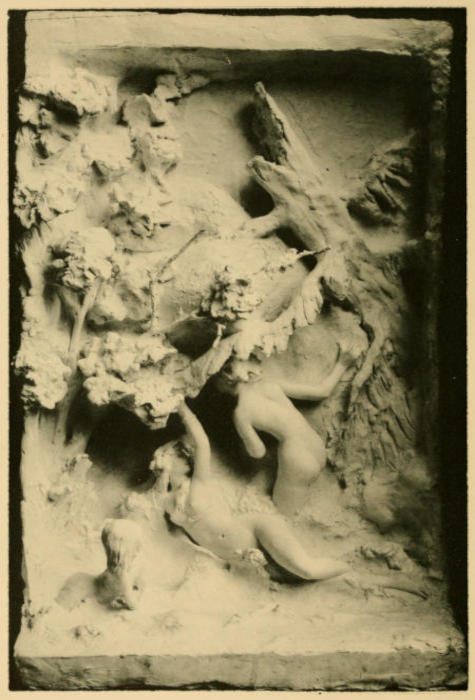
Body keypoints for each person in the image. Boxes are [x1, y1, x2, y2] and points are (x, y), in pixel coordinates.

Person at [163, 402, 349, 582]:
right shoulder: (167, 497)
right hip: (244, 557)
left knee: (307, 570)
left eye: (167, 454)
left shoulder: (198, 482)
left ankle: (353, 570)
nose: (160, 458)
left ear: (182, 458)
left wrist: (182, 409)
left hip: (255, 530)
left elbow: (202, 444)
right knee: (291, 577)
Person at [219, 339, 360, 516]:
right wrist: (343, 363)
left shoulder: (241, 412)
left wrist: (243, 440)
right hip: (315, 445)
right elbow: (322, 392)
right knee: (300, 504)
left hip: (295, 456)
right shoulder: (269, 384)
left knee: (283, 515)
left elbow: (258, 452)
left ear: (227, 380)